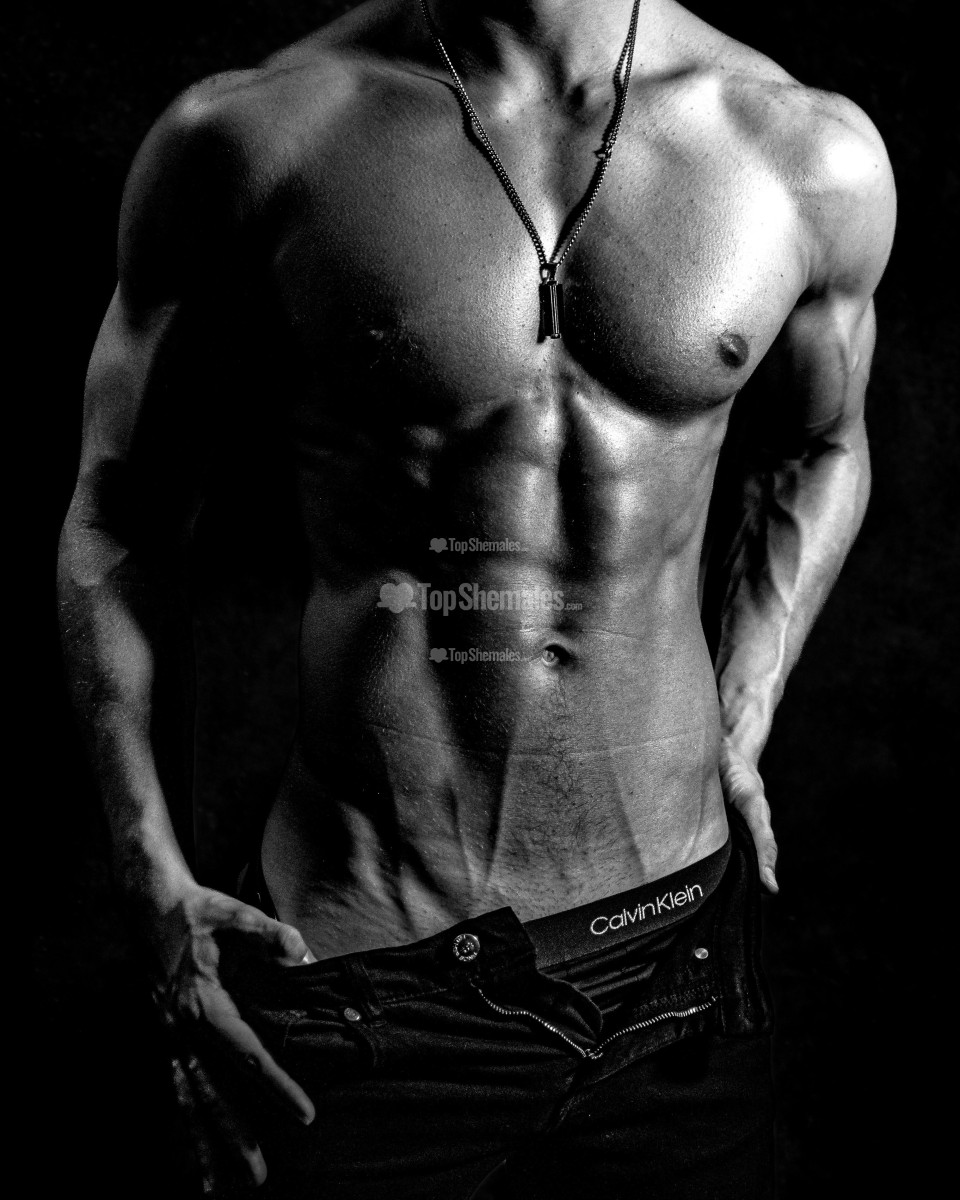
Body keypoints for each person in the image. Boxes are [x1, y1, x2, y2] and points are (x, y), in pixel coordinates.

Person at [57, 0, 895, 1196]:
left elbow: (824, 447)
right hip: (370, 969)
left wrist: (746, 706)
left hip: (678, 965)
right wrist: (151, 878)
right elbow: (120, 513)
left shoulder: (802, 150)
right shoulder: (262, 136)